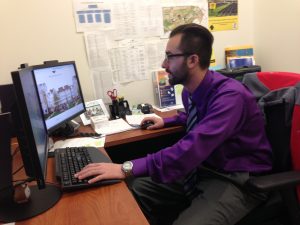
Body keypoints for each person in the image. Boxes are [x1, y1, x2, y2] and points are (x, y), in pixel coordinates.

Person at [75, 23, 272, 225]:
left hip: (236, 178)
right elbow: (199, 119)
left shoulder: (230, 97)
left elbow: (191, 149)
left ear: (192, 60)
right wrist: (167, 121)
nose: (163, 63)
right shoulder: (191, 90)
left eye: (170, 56)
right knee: (135, 190)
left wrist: (125, 168)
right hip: (203, 169)